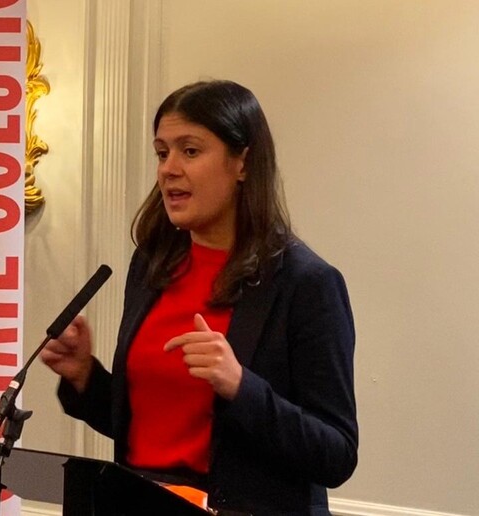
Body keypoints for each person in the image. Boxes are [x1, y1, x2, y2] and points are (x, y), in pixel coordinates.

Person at [40, 80, 358, 516]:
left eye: (190, 151)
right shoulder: (152, 266)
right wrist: (84, 377)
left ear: (242, 162)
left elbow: (337, 453)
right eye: (162, 152)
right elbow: (146, 431)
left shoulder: (306, 284)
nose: (169, 168)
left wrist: (241, 386)